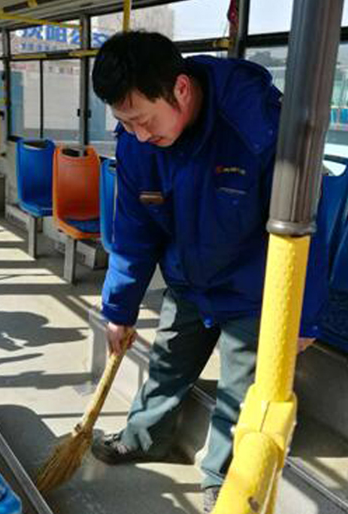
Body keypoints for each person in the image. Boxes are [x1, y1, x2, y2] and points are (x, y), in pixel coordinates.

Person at [90, 31, 328, 514]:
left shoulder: (259, 127)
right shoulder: (137, 146)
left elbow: (307, 227)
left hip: (252, 288)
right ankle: (144, 437)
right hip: (189, 278)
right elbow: (134, 234)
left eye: (143, 120)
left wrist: (303, 316)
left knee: (241, 393)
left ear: (180, 89)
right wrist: (119, 310)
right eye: (125, 122)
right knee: (166, 364)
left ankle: (228, 481)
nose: (138, 135)